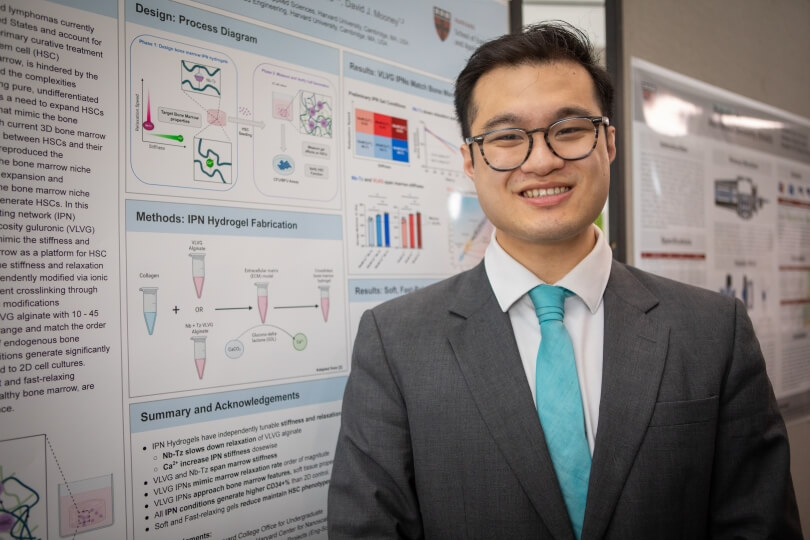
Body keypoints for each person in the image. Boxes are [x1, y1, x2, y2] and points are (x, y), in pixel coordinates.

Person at [328, 21, 802, 539]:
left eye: (570, 129)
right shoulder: (395, 342)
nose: (543, 160)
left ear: (609, 143)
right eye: (507, 137)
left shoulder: (714, 331)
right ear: (469, 160)